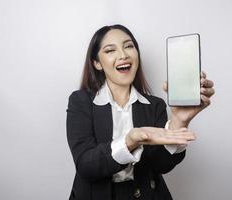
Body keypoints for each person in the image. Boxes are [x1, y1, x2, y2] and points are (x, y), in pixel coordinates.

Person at [66, 24, 215, 200]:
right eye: (110, 50)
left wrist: (179, 122)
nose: (123, 55)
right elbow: (86, 165)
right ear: (97, 63)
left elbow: (161, 165)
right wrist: (130, 141)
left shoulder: (154, 105)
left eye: (129, 46)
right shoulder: (81, 101)